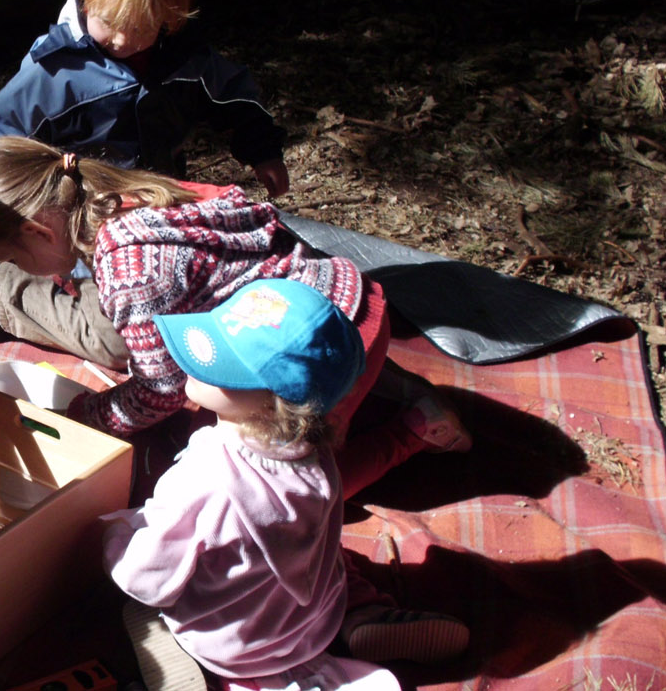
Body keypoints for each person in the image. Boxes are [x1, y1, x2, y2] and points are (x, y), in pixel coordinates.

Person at [0, 136, 470, 498]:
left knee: (279, 490)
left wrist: (88, 418)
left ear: (39, 231)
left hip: (324, 340)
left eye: (14, 260)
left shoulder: (128, 267)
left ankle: (413, 433)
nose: (20, 269)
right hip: (344, 297)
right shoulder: (127, 191)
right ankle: (388, 386)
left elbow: (161, 390)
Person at [103, 279, 469, 690]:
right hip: (312, 622)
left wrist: (111, 538)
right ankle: (363, 613)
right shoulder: (315, 455)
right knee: (329, 557)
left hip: (231, 643)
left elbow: (145, 576)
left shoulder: (205, 477)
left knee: (139, 587)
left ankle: (215, 672)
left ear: (271, 402)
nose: (191, 361)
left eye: (215, 361)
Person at [0, 0, 289, 367]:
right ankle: (6, 290)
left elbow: (233, 98)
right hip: (77, 235)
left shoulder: (187, 57)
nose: (122, 39)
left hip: (152, 214)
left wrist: (262, 150)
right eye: (110, 21)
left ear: (170, 12)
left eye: (141, 26)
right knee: (123, 340)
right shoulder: (55, 70)